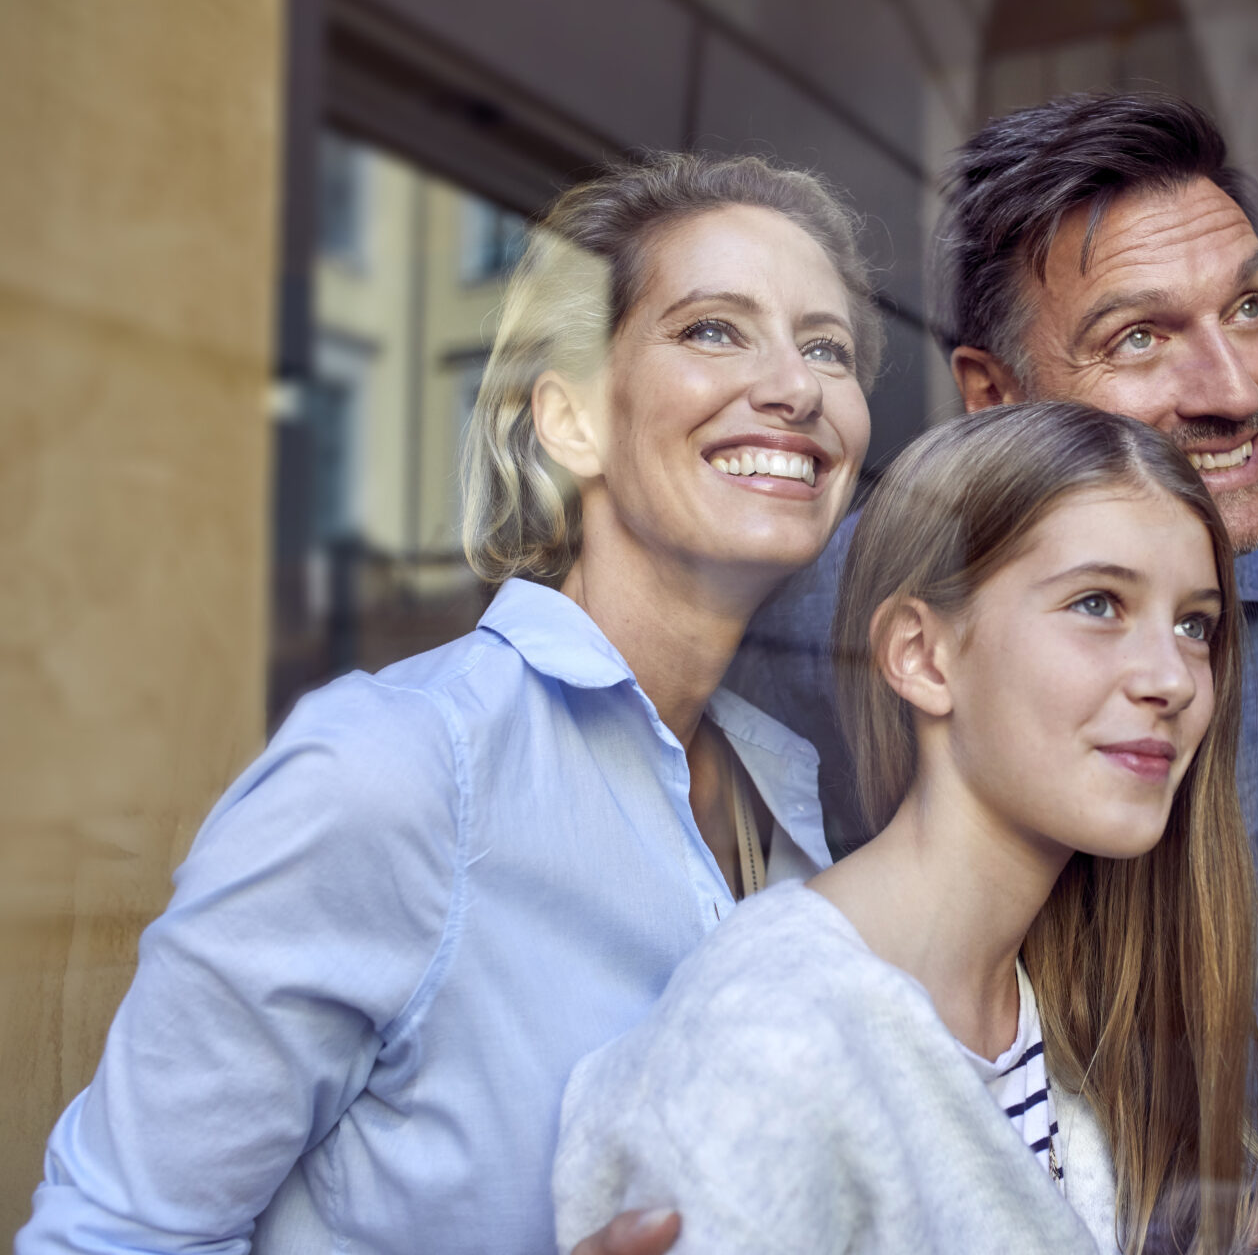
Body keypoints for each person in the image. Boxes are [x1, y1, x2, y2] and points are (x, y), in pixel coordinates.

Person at [729, 91, 1258, 1254]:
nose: (1236, 388)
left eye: (1249, 305)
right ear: (994, 397)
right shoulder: (829, 608)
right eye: (1140, 335)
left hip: (1255, 1185)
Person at [18, 152, 881, 1255]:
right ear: (570, 420)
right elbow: (104, 1239)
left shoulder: (795, 794)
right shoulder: (399, 768)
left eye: (828, 346)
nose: (797, 385)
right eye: (713, 328)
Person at [555, 402, 1258, 1255]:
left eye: (1196, 625)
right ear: (923, 656)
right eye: (1097, 603)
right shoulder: (772, 1041)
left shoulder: (1057, 1012)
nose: (1173, 679)